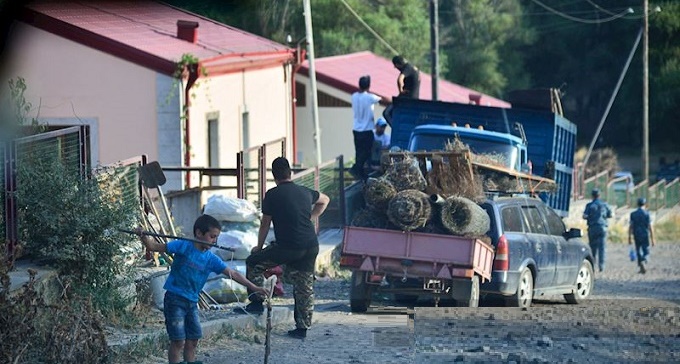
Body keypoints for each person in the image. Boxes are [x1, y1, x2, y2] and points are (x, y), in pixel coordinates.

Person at [139, 214, 267, 364]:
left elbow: (233, 273)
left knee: (193, 339)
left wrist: (254, 287)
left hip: (192, 303)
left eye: (216, 238)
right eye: (212, 236)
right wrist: (143, 237)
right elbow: (153, 247)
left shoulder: (211, 259)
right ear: (199, 233)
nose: (215, 241)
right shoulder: (183, 246)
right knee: (178, 341)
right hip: (175, 300)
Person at [236, 157, 330, 339]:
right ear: (290, 173)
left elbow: (265, 224)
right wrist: (310, 217)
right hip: (311, 245)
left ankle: (256, 302)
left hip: (288, 246)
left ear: (274, 176)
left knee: (254, 263)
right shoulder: (304, 192)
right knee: (304, 286)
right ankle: (302, 328)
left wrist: (259, 246)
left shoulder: (272, 195)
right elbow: (325, 200)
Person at [350, 75, 382, 180]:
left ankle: (360, 173)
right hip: (367, 129)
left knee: (358, 151)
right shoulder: (370, 97)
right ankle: (357, 169)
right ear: (369, 86)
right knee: (367, 151)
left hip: (356, 129)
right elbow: (382, 100)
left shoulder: (354, 96)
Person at [582, 188, 612, 272]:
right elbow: (611, 215)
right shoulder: (605, 204)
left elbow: (584, 216)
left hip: (592, 228)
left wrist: (591, 217)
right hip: (602, 228)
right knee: (602, 247)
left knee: (592, 248)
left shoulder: (589, 205)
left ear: (592, 196)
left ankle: (592, 265)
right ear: (599, 195)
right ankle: (601, 266)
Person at [629, 197, 655, 274]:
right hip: (645, 234)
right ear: (645, 204)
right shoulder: (647, 214)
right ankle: (644, 260)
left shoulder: (633, 214)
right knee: (646, 250)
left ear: (637, 204)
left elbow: (631, 226)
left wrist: (629, 237)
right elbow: (650, 227)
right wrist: (653, 238)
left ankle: (641, 267)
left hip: (636, 234)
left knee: (638, 250)